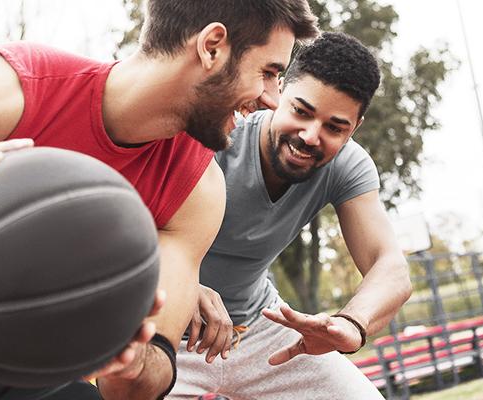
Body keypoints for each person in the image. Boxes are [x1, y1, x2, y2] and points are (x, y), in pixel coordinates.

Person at [0, 1, 319, 399]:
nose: (273, 100)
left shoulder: (196, 191)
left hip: (8, 377)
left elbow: (144, 376)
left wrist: (131, 360)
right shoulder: (5, 91)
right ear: (212, 46)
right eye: (270, 73)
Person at [171, 32, 412, 400]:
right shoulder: (217, 136)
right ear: (279, 90)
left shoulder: (349, 167)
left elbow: (390, 266)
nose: (311, 136)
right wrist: (183, 284)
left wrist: (351, 323)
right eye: (301, 111)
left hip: (260, 328)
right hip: (171, 328)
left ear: (355, 127)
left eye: (335, 127)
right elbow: (126, 231)